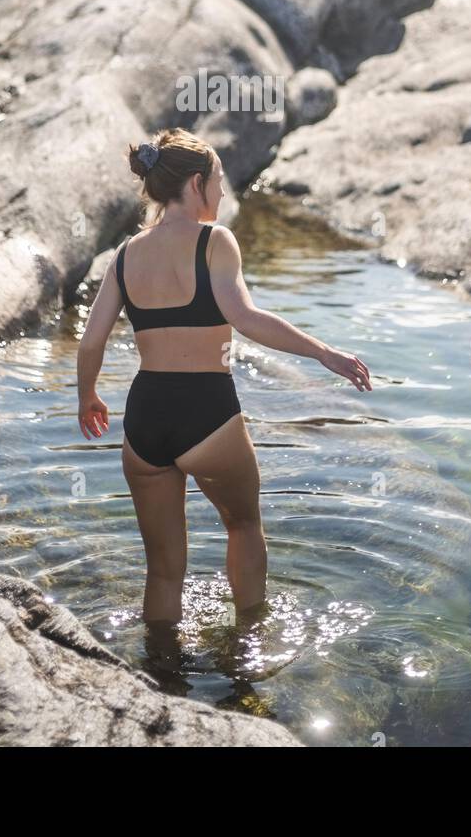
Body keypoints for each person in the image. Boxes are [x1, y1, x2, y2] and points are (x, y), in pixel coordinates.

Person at [76, 127, 372, 627]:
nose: (220, 191)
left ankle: (161, 671)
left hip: (145, 418)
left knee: (164, 574)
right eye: (216, 180)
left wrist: (88, 398)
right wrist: (323, 352)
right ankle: (247, 652)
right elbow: (247, 318)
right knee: (243, 524)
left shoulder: (126, 255)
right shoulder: (216, 241)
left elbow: (90, 341)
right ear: (196, 184)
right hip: (206, 412)